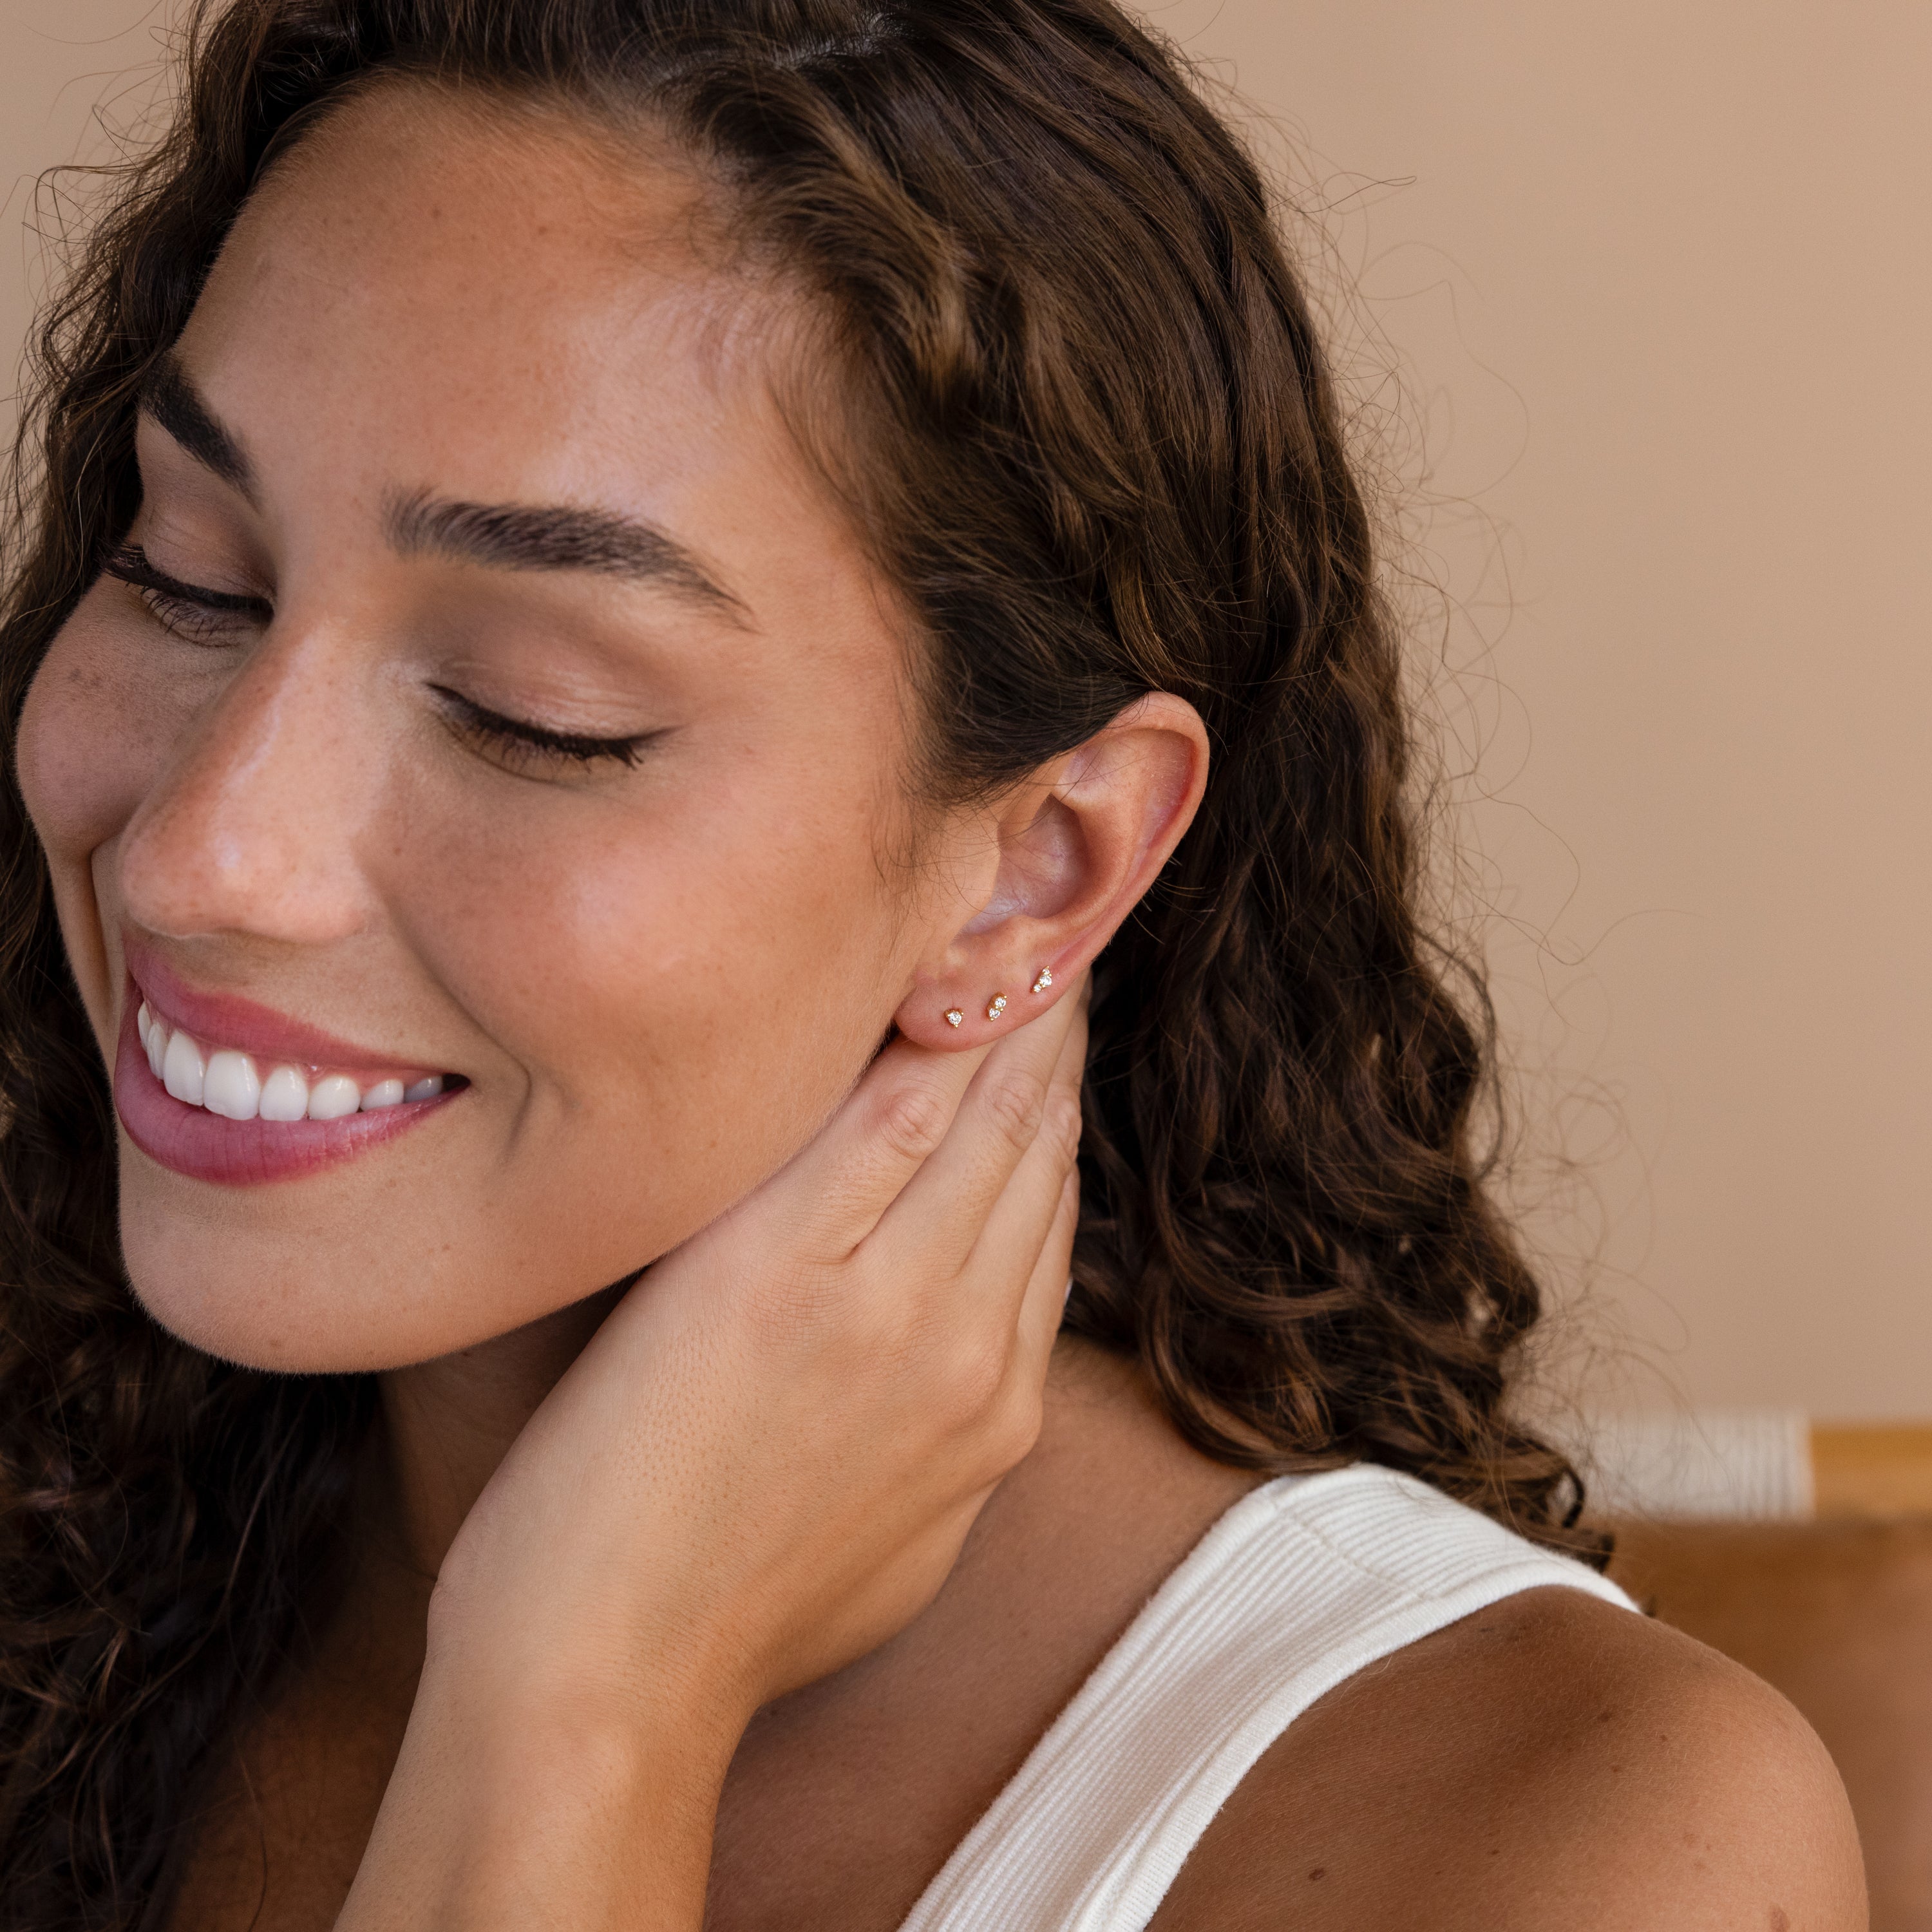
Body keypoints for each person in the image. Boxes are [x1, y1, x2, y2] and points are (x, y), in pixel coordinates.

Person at [0, 1, 1864, 1926]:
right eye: (188, 571)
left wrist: (590, 1699)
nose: (210, 851)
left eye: (528, 710)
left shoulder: (1564, 1836)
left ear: (1038, 869)